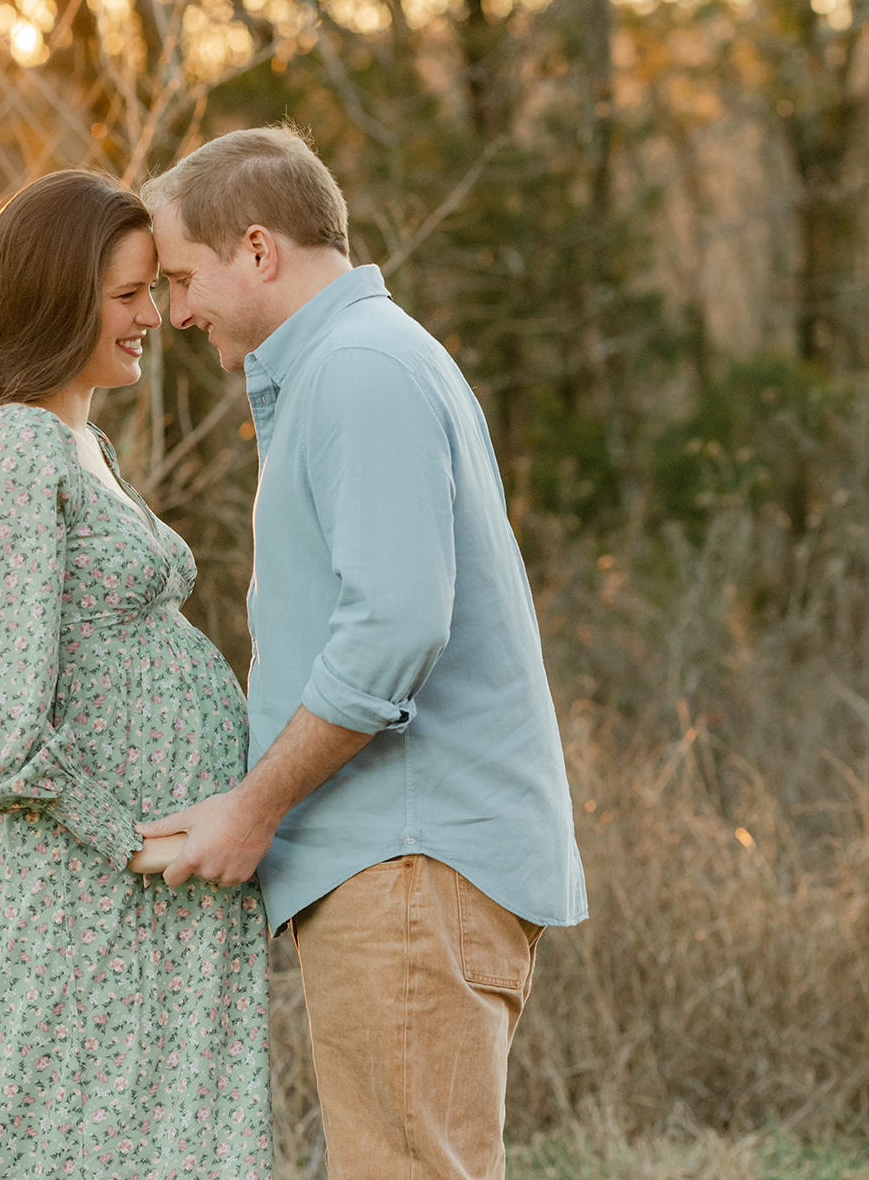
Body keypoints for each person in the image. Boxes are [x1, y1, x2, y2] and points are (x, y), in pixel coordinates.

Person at [138, 127, 588, 1180]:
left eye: (178, 278)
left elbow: (394, 627)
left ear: (256, 251)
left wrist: (252, 809)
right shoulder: (355, 366)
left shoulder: (357, 371)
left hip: (406, 863)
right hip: (398, 866)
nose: (171, 311)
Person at [0, 169, 271, 1180]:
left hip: (143, 914)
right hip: (72, 910)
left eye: (152, 289)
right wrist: (139, 842)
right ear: (59, 298)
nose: (152, 315)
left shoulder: (85, 443)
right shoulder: (21, 448)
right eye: (126, 295)